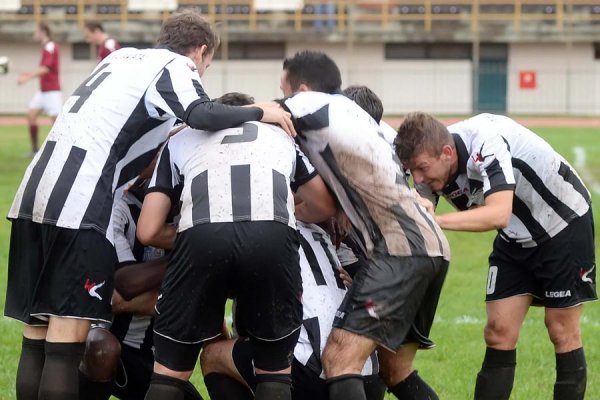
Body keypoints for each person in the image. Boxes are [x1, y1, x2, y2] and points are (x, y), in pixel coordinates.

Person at [5, 10, 294, 400]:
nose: (202, 74)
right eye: (206, 66)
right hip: (80, 199)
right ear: (201, 51)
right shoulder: (174, 65)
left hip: (35, 190)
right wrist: (261, 111)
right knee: (65, 338)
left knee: (37, 333)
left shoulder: (120, 58)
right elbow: (202, 113)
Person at [279, 50, 451, 400]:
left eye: (286, 91)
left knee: (339, 358)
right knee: (395, 370)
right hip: (429, 246)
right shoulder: (372, 128)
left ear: (303, 90)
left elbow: (325, 204)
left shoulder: (315, 110)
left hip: (398, 250)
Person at [395, 112, 597, 400]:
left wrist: (435, 220)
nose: (418, 179)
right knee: (498, 331)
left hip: (564, 223)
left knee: (561, 329)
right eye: (412, 170)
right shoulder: (429, 158)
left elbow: (499, 213)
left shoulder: (486, 143)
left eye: (423, 169)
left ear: (448, 153)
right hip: (515, 235)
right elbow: (415, 222)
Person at [137, 115, 335, 399]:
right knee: (274, 370)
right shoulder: (280, 136)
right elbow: (323, 203)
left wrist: (196, 230)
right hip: (272, 237)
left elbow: (148, 230)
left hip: (201, 238)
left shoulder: (181, 137)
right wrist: (286, 214)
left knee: (169, 372)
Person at [17, 22, 61, 154]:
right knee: (31, 116)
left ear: (43, 32)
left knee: (57, 123)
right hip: (43, 91)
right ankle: (35, 150)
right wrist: (29, 74)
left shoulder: (50, 46)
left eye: (36, 31)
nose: (34, 34)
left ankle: (60, 151)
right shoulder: (45, 47)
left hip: (52, 91)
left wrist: (27, 77)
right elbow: (44, 69)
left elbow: (46, 68)